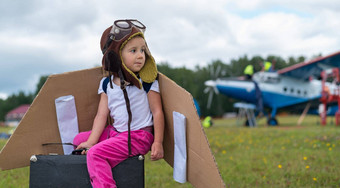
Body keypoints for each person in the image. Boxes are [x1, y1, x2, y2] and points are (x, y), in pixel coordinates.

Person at [73, 19, 164, 188]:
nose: (140, 56)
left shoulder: (147, 81)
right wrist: (92, 140)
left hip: (138, 137)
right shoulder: (106, 84)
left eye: (143, 50)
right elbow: (102, 115)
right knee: (79, 140)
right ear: (115, 55)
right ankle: (102, 166)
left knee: (94, 154)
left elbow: (157, 111)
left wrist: (157, 142)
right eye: (133, 50)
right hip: (117, 133)